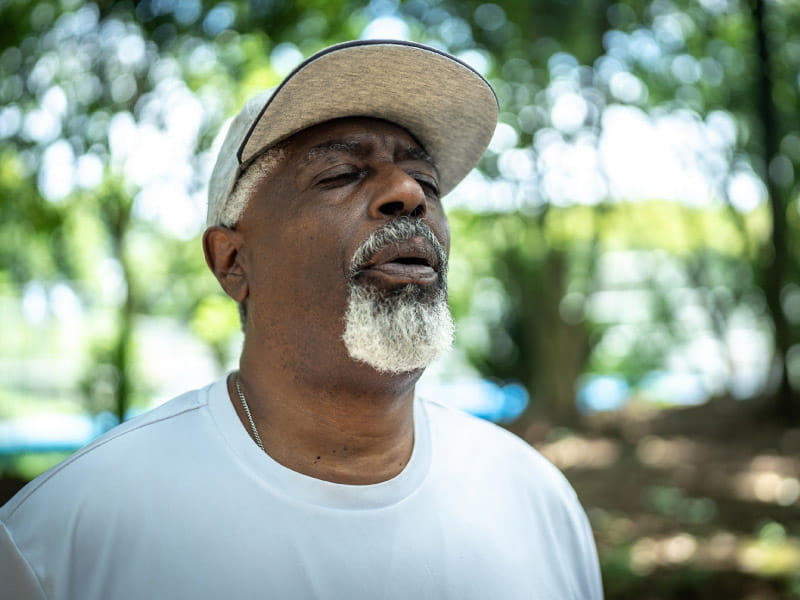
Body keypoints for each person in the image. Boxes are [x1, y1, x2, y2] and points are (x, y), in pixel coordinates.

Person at [1, 40, 603, 599]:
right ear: (232, 261)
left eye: (425, 181)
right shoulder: (62, 533)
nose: (409, 195)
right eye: (341, 174)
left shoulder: (534, 496)